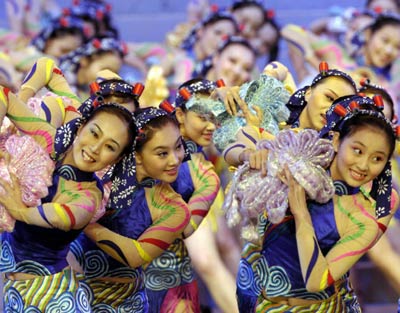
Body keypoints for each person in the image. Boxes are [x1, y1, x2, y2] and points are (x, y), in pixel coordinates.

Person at [233, 94, 399, 312]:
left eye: (377, 158)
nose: (364, 165)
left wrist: (301, 213)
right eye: (357, 150)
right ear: (337, 140)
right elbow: (240, 143)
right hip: (258, 302)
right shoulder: (297, 159)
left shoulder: (364, 217)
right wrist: (252, 153)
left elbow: (316, 281)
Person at [0, 86, 136, 312]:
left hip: (53, 297)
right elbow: (4, 94)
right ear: (81, 127)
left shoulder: (89, 196)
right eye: (94, 133)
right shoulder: (51, 143)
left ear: (117, 158)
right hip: (16, 293)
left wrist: (17, 208)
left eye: (110, 147)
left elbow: (56, 216)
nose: (94, 148)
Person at [69, 106, 191, 311]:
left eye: (178, 147)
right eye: (162, 153)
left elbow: (137, 255)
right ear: (137, 155)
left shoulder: (175, 208)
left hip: (122, 303)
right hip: (67, 293)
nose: (175, 159)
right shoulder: (97, 172)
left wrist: (82, 219)